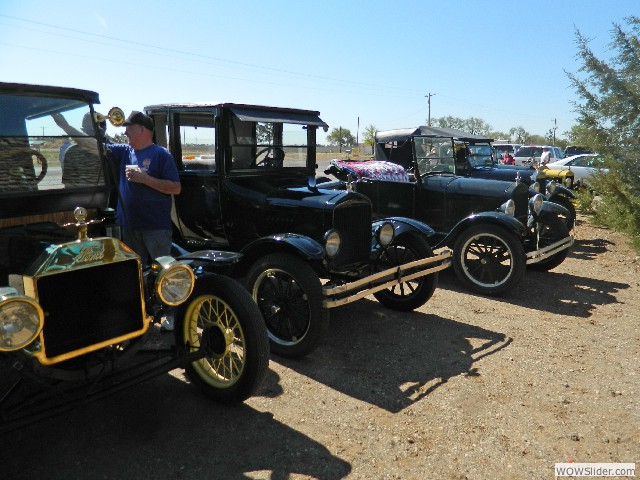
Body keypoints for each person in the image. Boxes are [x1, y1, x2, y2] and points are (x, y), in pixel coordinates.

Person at [109, 111, 181, 330]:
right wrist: (65, 124)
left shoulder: (161, 155)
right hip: (129, 225)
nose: (125, 132)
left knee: (164, 270)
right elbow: (93, 145)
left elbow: (176, 188)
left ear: (142, 130)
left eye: (129, 128)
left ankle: (172, 314)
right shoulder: (125, 151)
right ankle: (141, 313)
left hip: (155, 226)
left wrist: (144, 179)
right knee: (135, 273)